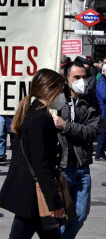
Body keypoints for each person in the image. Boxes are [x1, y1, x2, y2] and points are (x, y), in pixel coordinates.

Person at [0, 68, 66, 238]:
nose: (62, 95)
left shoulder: (33, 113)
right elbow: (41, 164)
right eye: (60, 90)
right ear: (50, 90)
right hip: (33, 195)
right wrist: (54, 201)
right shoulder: (40, 118)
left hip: (30, 194)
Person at [56, 60, 100, 239]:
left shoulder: (90, 101)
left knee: (81, 214)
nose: (82, 81)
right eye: (77, 77)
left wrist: (66, 126)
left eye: (84, 77)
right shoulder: (57, 100)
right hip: (62, 166)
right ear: (67, 79)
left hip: (82, 166)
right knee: (58, 217)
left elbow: (93, 131)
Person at [95, 64, 106, 160]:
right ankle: (98, 153)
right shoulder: (102, 82)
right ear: (104, 71)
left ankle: (101, 152)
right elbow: (104, 97)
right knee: (103, 133)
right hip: (103, 112)